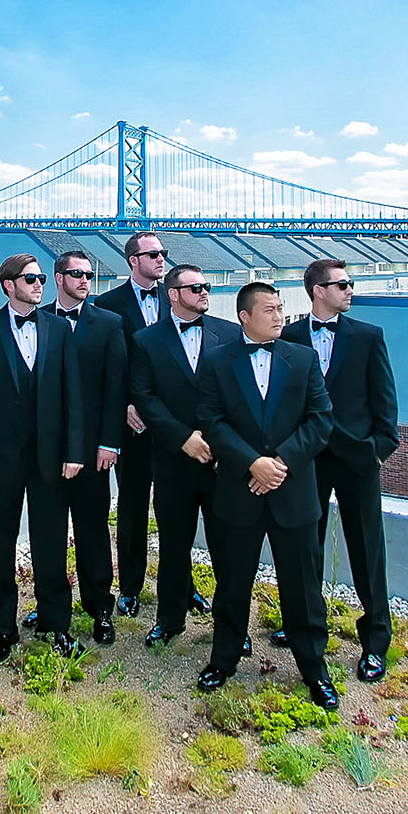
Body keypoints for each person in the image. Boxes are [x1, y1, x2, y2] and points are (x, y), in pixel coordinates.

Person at [194, 281, 336, 709]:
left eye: (281, 308)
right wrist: (250, 463)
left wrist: (277, 465)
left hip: (292, 493)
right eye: (270, 309)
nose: (279, 316)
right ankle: (223, 657)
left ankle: (314, 669)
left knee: (304, 587)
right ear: (244, 317)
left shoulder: (304, 359)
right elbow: (211, 421)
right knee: (233, 583)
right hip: (239, 490)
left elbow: (320, 421)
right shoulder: (217, 362)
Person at [0, 254, 87, 663]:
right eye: (30, 279)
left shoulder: (57, 328)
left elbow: (73, 394)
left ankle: (57, 623)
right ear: (9, 285)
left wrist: (74, 450)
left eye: (39, 278)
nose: (39, 284)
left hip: (51, 458)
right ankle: (3, 627)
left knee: (51, 542)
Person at [279, 259, 400, 680]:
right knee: (304, 547)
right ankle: (306, 624)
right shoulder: (290, 336)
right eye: (342, 284)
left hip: (357, 460)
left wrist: (379, 450)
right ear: (317, 290)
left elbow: (385, 400)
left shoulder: (369, 337)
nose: (350, 290)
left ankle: (375, 642)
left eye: (350, 284)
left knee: (367, 549)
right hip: (308, 460)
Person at [128, 263, 241, 649]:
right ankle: (169, 618)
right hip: (174, 461)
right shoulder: (146, 340)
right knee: (174, 544)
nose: (204, 293)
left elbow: (240, 396)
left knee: (226, 548)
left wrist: (218, 441)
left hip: (221, 462)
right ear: (173, 295)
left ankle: (231, 627)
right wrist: (183, 438)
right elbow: (145, 397)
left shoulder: (229, 333)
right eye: (195, 288)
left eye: (206, 287)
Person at [37, 250, 127, 644]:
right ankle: (51, 609)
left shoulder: (109, 323)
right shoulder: (33, 319)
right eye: (76, 274)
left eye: (89, 274)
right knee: (48, 534)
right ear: (58, 278)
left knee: (92, 531)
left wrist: (110, 442)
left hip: (94, 451)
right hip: (43, 450)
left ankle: (99, 608)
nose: (85, 280)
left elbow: (116, 388)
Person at [94, 231, 171, 617]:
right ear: (132, 261)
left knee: (177, 509)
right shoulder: (108, 305)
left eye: (163, 253)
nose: (161, 258)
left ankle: (181, 585)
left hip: (174, 427)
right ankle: (130, 587)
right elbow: (106, 363)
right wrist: (123, 403)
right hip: (134, 425)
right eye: (153, 253)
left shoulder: (175, 298)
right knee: (133, 507)